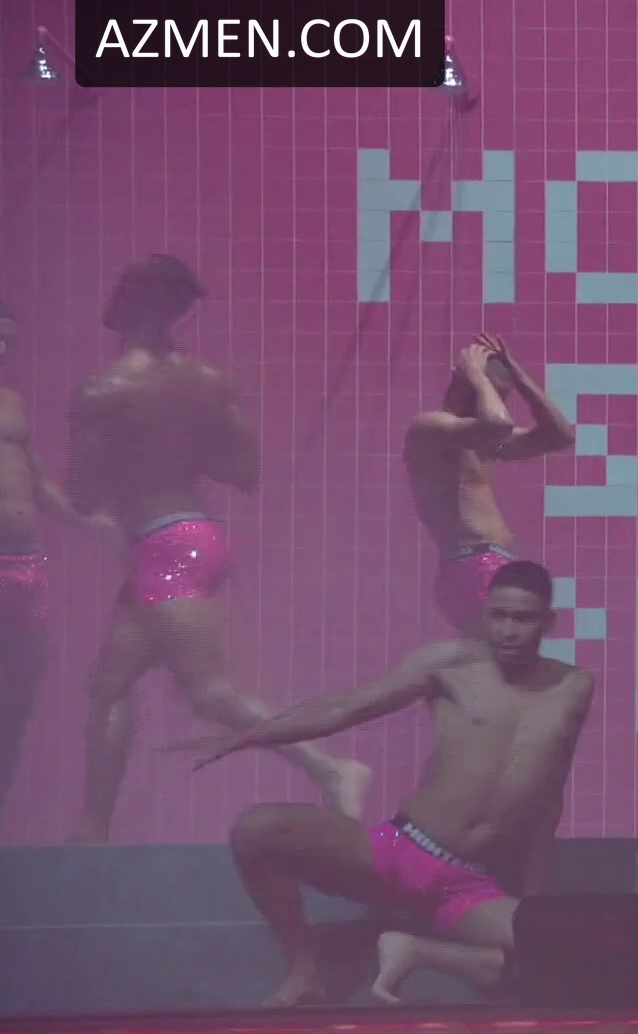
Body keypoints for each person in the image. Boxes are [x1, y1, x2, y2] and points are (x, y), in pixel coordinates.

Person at [169, 559, 596, 1007]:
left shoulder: (573, 688)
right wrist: (250, 735)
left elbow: (548, 798)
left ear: (548, 622)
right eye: (498, 616)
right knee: (255, 829)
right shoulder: (450, 663)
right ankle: (304, 966)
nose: (507, 631)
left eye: (523, 619)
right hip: (399, 852)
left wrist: (532, 900)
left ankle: (416, 951)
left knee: (551, 953)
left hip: (469, 886)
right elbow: (347, 708)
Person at [64, 256, 368, 843]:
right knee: (110, 682)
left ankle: (332, 769)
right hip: (190, 537)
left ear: (133, 300)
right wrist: (178, 447)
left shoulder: (104, 390)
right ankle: (92, 832)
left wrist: (129, 462)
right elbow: (244, 470)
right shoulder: (209, 382)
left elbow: (81, 492)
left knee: (209, 692)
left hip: (164, 546)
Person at [0, 304, 118, 820]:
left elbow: (38, 482)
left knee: (20, 690)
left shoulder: (11, 402)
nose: (1, 350)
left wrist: (88, 522)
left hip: (24, 564)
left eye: (8, 342)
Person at [405, 333, 575, 638]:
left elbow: (560, 436)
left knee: (505, 661)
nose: (496, 404)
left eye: (501, 398)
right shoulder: (430, 429)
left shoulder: (485, 442)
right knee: (496, 657)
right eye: (487, 395)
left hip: (493, 565)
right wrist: (474, 374)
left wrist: (519, 376)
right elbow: (497, 424)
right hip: (471, 566)